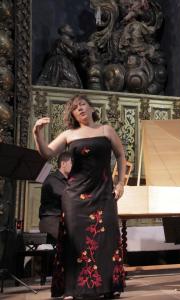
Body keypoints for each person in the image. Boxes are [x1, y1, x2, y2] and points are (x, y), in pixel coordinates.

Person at [33, 94, 126, 298]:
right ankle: (74, 288)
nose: (80, 109)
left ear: (91, 108)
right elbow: (47, 153)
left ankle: (107, 287)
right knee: (76, 241)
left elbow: (120, 154)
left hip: (103, 194)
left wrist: (120, 183)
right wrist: (37, 134)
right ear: (73, 115)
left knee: (106, 239)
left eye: (82, 104)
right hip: (76, 196)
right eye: (75, 108)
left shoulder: (106, 130)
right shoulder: (69, 134)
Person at [38, 152, 72, 241]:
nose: (74, 166)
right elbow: (67, 197)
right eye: (72, 163)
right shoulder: (52, 179)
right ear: (63, 164)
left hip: (61, 221)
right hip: (51, 221)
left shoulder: (68, 181)